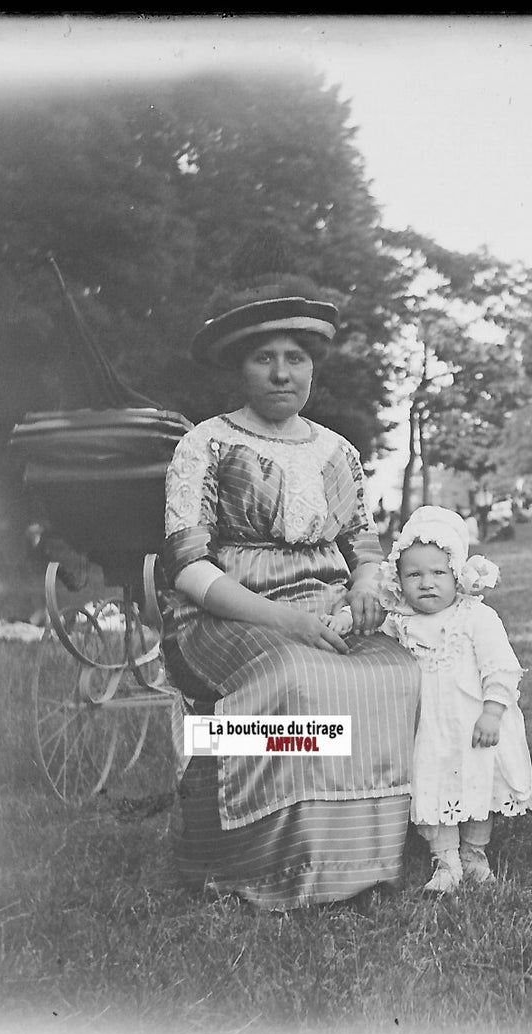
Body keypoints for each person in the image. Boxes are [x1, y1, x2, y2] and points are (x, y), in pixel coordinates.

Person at [161, 285, 421, 913]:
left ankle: (370, 855)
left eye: (296, 358)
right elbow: (188, 567)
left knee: (401, 673)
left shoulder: (339, 453)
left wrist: (362, 586)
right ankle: (276, 855)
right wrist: (282, 619)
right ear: (239, 368)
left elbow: (364, 547)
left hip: (326, 604)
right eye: (264, 358)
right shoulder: (207, 444)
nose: (282, 373)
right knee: (300, 681)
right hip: (227, 611)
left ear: (312, 367)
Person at [379, 506, 532, 893]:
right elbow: (372, 642)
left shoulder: (476, 617)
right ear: (398, 581)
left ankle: (474, 853)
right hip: (427, 725)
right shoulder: (398, 622)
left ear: (457, 575)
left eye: (438, 573)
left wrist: (493, 712)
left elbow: (501, 667)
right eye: (414, 575)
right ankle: (444, 860)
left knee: (476, 783)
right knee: (434, 784)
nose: (427, 583)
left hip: (473, 722)